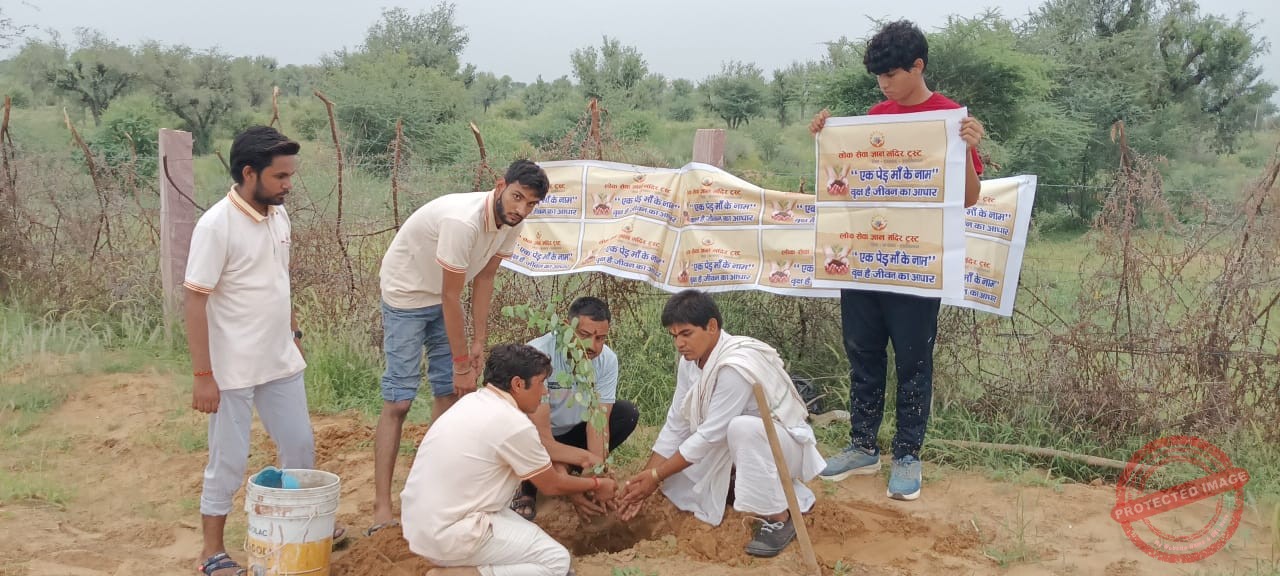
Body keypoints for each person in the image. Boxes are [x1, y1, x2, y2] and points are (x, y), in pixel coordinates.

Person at [809, 19, 986, 501]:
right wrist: (827, 139)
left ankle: (908, 455)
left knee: (912, 362)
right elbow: (853, 190)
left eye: (892, 74)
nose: (884, 84)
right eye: (879, 77)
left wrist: (971, 149)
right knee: (862, 354)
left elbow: (968, 200)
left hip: (916, 267)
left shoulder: (951, 118)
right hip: (866, 262)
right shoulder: (874, 116)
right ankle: (863, 445)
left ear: (918, 66)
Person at [185, 126, 342, 576]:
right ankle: (211, 553)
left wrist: (292, 332)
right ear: (248, 173)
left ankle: (301, 528)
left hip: (279, 360)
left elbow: (279, 278)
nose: (288, 184)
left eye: (291, 175)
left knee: (299, 446)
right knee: (228, 462)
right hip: (231, 369)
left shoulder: (278, 215)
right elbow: (195, 298)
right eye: (279, 176)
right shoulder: (216, 225)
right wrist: (203, 376)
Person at [371, 160, 550, 535]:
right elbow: (451, 296)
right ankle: (382, 507)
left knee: (449, 396)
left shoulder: (512, 224)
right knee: (400, 400)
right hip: (407, 295)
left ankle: (428, 493)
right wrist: (461, 364)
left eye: (531, 204)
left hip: (441, 297)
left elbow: (484, 280)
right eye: (517, 197)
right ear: (500, 186)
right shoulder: (463, 222)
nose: (521, 209)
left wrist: (478, 341)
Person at [616, 290, 825, 558]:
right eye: (674, 336)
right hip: (739, 449)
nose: (679, 344)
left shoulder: (732, 367)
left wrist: (656, 477)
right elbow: (676, 424)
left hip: (781, 449)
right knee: (675, 474)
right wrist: (645, 481)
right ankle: (735, 484)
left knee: (742, 428)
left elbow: (709, 437)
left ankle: (779, 518)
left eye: (686, 334)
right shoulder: (689, 363)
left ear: (712, 327)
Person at [401, 344, 619, 576]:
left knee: (523, 536)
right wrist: (597, 484)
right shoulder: (513, 424)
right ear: (517, 384)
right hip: (450, 533)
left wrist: (585, 459)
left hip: (420, 523)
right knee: (557, 561)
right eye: (540, 383)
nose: (545, 392)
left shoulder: (471, 403)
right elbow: (551, 484)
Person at [510, 296, 640, 521]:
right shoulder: (538, 356)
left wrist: (594, 474)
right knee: (523, 436)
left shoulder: (607, 361)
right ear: (565, 328)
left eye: (601, 338)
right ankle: (527, 486)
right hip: (536, 435)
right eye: (585, 336)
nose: (593, 346)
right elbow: (542, 436)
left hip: (570, 433)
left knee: (625, 414)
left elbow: (598, 421)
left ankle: (574, 471)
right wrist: (569, 487)